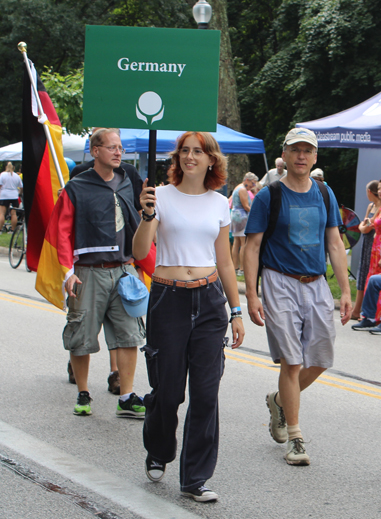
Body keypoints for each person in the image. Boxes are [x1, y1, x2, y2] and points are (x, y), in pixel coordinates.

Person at [132, 131, 244, 503]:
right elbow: (139, 249)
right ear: (177, 158)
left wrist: (237, 310)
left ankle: (195, 477)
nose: (190, 156)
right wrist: (147, 213)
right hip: (168, 297)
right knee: (168, 391)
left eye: (198, 151)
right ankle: (160, 450)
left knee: (206, 392)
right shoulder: (160, 195)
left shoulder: (218, 203)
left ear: (212, 159)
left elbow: (226, 260)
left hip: (210, 302)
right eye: (185, 151)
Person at [244, 127, 352, 466]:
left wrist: (346, 289)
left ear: (315, 157)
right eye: (296, 150)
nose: (302, 156)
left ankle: (279, 400)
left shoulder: (324, 193)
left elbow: (335, 242)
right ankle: (295, 437)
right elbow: (252, 247)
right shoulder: (269, 196)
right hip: (279, 282)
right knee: (292, 360)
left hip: (317, 284)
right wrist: (252, 294)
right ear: (285, 155)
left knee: (320, 358)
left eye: (308, 151)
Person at [57, 128, 147, 418]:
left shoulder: (127, 181)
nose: (118, 152)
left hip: (123, 271)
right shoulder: (77, 187)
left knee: (129, 335)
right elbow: (62, 232)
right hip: (88, 271)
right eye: (111, 148)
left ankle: (127, 396)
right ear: (95, 151)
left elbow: (139, 223)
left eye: (120, 148)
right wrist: (67, 272)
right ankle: (83, 393)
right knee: (81, 334)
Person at [352, 180, 380, 320]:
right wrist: (366, 226)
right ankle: (357, 309)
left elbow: (365, 226)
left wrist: (366, 226)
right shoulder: (371, 206)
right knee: (362, 273)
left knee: (370, 274)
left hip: (374, 243)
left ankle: (364, 311)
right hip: (367, 242)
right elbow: (363, 227)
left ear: (369, 192)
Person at [364, 178, 381, 320]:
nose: (379, 191)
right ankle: (370, 314)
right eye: (378, 189)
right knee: (372, 279)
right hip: (375, 246)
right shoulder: (380, 207)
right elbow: (369, 224)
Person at [230, 172, 255, 275]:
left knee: (236, 243)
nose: (253, 186)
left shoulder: (237, 187)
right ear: (247, 180)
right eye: (252, 183)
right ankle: (242, 269)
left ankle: (235, 267)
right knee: (243, 243)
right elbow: (246, 206)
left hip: (235, 216)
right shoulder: (243, 190)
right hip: (241, 217)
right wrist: (255, 213)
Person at [0, 162, 23, 232]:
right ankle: (12, 230)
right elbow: (21, 186)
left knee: (2, 213)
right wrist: (19, 193)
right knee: (14, 214)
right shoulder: (16, 175)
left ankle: (0, 229)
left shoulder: (2, 175)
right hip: (14, 195)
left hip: (4, 195)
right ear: (13, 167)